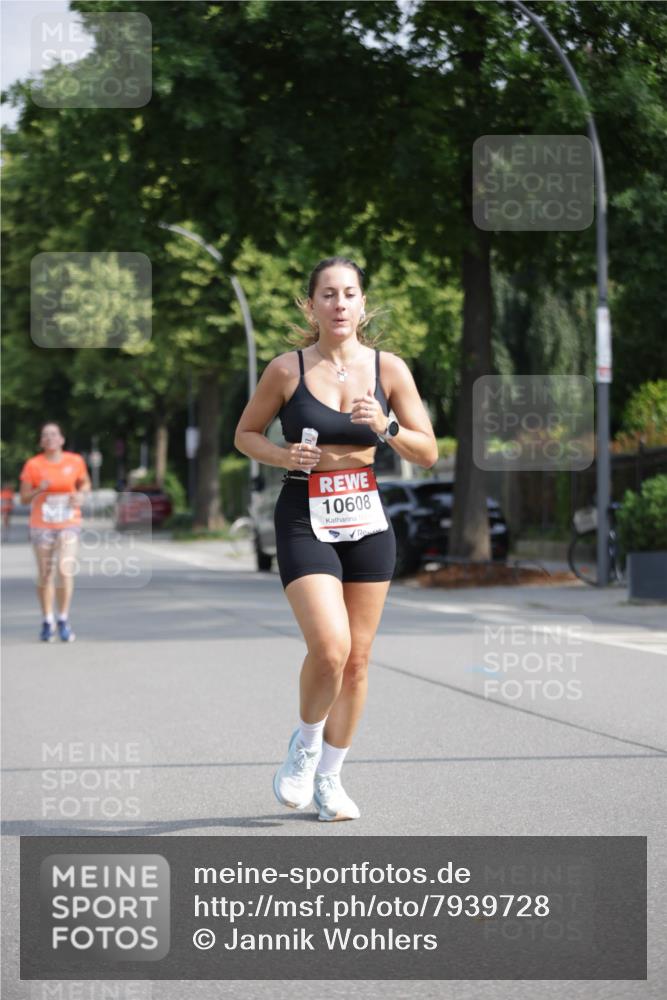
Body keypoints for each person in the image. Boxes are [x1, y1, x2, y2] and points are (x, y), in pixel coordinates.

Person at [234, 256, 438, 821]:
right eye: (328, 294)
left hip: (366, 514)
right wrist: (282, 455)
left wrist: (386, 427)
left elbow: (427, 451)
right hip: (304, 512)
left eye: (349, 293)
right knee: (330, 648)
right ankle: (304, 747)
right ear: (312, 305)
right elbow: (245, 433)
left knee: (358, 661)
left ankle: (330, 779)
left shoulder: (389, 369)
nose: (340, 304)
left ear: (362, 304)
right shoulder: (287, 370)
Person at [19, 423, 91, 642]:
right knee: (46, 573)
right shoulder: (33, 465)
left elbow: (85, 484)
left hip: (68, 520)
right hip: (42, 524)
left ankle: (63, 619)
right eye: (45, 435)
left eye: (54, 434)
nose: (50, 438)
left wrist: (81, 495)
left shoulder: (75, 461)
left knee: (64, 569)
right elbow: (24, 498)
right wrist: (39, 489)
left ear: (62, 439)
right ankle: (47, 620)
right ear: (41, 442)